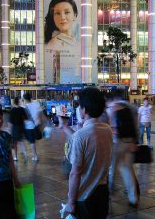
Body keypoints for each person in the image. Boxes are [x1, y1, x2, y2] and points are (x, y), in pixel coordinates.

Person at [64, 88, 112, 219]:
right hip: (102, 193)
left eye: (80, 105)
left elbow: (75, 173)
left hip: (85, 196)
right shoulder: (108, 130)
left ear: (84, 109)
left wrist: (70, 202)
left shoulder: (80, 136)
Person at [105, 90, 139, 207]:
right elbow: (136, 125)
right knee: (127, 169)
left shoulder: (111, 109)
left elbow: (110, 128)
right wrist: (135, 141)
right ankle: (133, 198)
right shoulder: (131, 108)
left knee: (112, 170)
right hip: (130, 141)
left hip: (117, 143)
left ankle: (108, 194)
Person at [44, 0, 80, 83]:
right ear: (53, 17)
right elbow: (55, 72)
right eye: (57, 13)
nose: (62, 17)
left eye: (67, 12)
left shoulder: (75, 40)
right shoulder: (55, 43)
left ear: (75, 15)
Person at [23, 93, 42, 161]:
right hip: (37, 124)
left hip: (29, 126)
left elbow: (26, 118)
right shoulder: (36, 104)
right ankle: (35, 155)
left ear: (25, 99)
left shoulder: (25, 107)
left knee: (32, 142)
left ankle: (35, 156)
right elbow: (40, 114)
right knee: (33, 141)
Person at [8, 96, 28, 161]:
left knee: (15, 143)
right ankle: (25, 154)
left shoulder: (12, 110)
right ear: (19, 102)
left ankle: (15, 157)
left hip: (14, 128)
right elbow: (26, 118)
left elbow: (10, 121)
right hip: (21, 127)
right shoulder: (22, 109)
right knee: (21, 141)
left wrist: (9, 131)